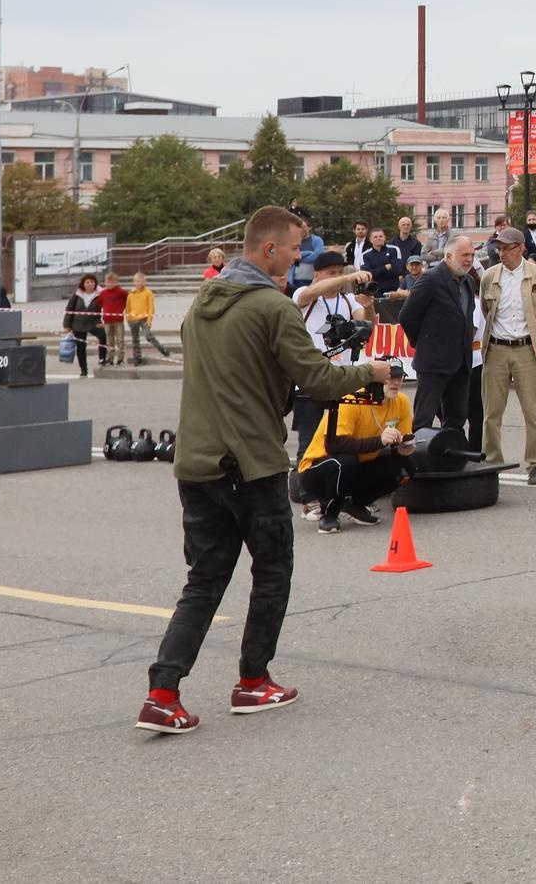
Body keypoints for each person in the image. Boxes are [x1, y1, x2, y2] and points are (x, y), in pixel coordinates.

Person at [136, 205, 398, 735]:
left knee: (204, 581)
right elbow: (319, 379)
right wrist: (369, 370)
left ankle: (162, 692)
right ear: (269, 249)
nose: (301, 256)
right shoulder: (272, 307)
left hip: (196, 463)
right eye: (296, 246)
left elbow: (241, 377)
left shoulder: (201, 305)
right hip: (250, 464)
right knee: (272, 570)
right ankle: (253, 682)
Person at [291, 252, 374, 513]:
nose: (337, 279)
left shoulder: (348, 301)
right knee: (310, 441)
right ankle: (308, 498)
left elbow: (366, 323)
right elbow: (315, 291)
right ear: (317, 274)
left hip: (342, 379)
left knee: (343, 439)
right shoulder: (304, 296)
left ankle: (342, 492)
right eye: (332, 273)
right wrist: (349, 275)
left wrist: (368, 303)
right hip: (311, 380)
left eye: (340, 273)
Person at [477, 227, 536, 483]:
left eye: (506, 248)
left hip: (526, 349)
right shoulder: (489, 276)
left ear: (521, 247)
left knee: (534, 411)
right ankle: (492, 461)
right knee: (491, 413)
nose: (501, 253)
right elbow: (486, 310)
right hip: (496, 348)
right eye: (498, 248)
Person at [297, 368, 412, 533]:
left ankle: (355, 505)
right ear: (376, 380)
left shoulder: (401, 401)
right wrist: (379, 441)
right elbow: (335, 446)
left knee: (406, 465)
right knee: (346, 462)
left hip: (358, 464)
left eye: (399, 378)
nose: (395, 383)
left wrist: (404, 448)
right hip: (317, 469)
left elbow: (401, 440)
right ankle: (329, 514)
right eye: (390, 378)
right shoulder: (352, 399)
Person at [396, 235, 479, 439]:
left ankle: (451, 461)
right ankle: (419, 465)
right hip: (433, 362)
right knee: (424, 419)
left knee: (456, 419)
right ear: (449, 256)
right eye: (464, 255)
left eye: (472, 255)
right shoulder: (430, 279)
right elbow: (407, 316)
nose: (469, 259)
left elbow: (465, 317)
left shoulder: (468, 281)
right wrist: (424, 341)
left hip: (461, 363)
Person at [124, 272, 172, 362]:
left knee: (148, 336)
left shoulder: (148, 293)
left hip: (144, 319)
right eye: (138, 281)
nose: (140, 283)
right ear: (134, 282)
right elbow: (128, 307)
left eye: (142, 281)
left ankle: (163, 350)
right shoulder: (131, 294)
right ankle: (137, 358)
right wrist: (128, 318)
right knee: (135, 340)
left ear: (145, 282)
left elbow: (151, 308)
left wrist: (149, 320)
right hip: (133, 320)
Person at [63, 274, 103, 377]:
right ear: (83, 284)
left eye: (92, 282)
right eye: (88, 282)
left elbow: (106, 308)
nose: (90, 284)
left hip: (93, 322)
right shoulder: (77, 294)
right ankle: (83, 370)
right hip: (78, 323)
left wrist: (102, 321)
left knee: (103, 336)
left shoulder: (100, 293)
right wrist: (66, 325)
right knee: (81, 347)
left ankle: (102, 360)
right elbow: (69, 309)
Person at [97, 271, 129, 367]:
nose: (110, 284)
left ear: (116, 282)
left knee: (120, 340)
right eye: (108, 282)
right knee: (109, 340)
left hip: (118, 320)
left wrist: (123, 309)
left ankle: (120, 359)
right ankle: (110, 358)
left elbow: (128, 299)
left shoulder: (121, 292)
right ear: (105, 282)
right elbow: (100, 304)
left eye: (112, 282)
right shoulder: (103, 293)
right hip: (107, 320)